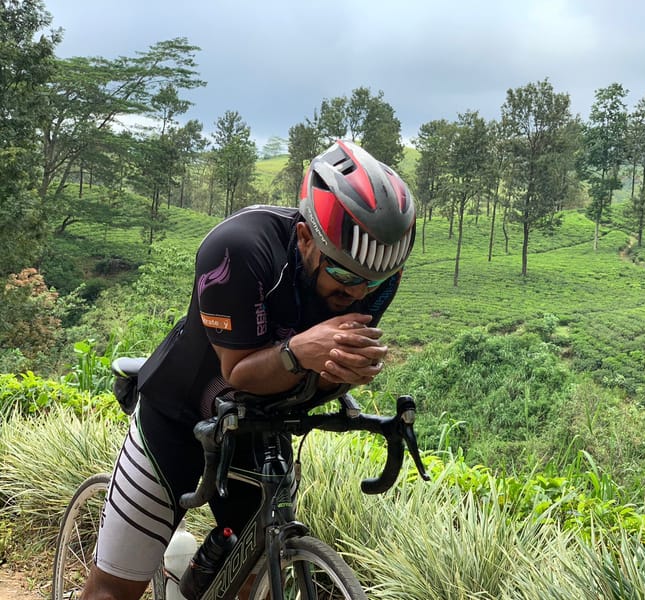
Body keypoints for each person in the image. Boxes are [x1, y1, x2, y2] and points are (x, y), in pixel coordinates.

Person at [82, 139, 416, 600]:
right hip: (178, 418)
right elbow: (238, 372)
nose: (360, 294)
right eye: (344, 277)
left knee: (251, 582)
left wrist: (342, 372)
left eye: (375, 282)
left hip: (260, 426)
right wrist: (301, 350)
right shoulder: (237, 249)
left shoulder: (376, 275)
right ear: (304, 239)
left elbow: (319, 373)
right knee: (113, 592)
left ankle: (195, 579)